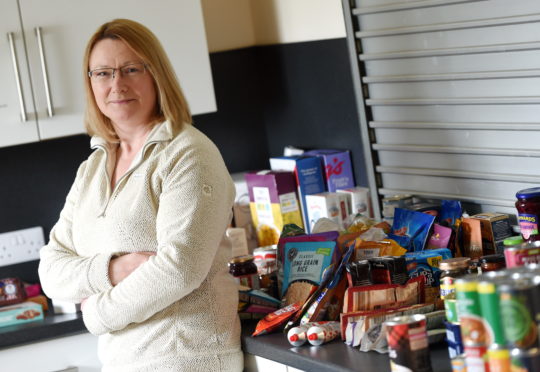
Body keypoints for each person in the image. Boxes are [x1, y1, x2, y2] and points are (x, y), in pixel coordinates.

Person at [38, 19, 243, 371]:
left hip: (187, 359)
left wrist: (97, 314)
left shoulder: (188, 153)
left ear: (156, 75)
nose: (117, 84)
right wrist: (114, 269)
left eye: (131, 69)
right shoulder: (93, 169)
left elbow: (179, 269)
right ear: (90, 83)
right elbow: (51, 272)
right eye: (102, 73)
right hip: (121, 362)